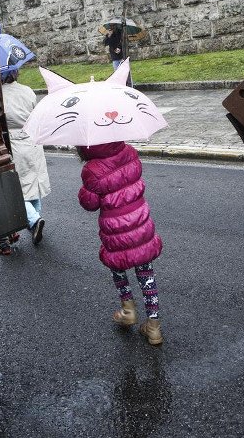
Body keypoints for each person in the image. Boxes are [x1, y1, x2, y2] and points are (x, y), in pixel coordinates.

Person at [77, 142, 164, 345]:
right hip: (140, 223)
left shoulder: (92, 170)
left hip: (115, 231)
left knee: (118, 270)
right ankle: (154, 328)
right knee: (146, 275)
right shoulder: (129, 153)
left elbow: (89, 204)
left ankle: (128, 311)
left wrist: (85, 189)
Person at [0, 67, 50, 255]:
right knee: (33, 184)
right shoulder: (27, 90)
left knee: (18, 188)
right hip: (32, 140)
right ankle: (35, 220)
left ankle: (34, 221)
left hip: (14, 143)